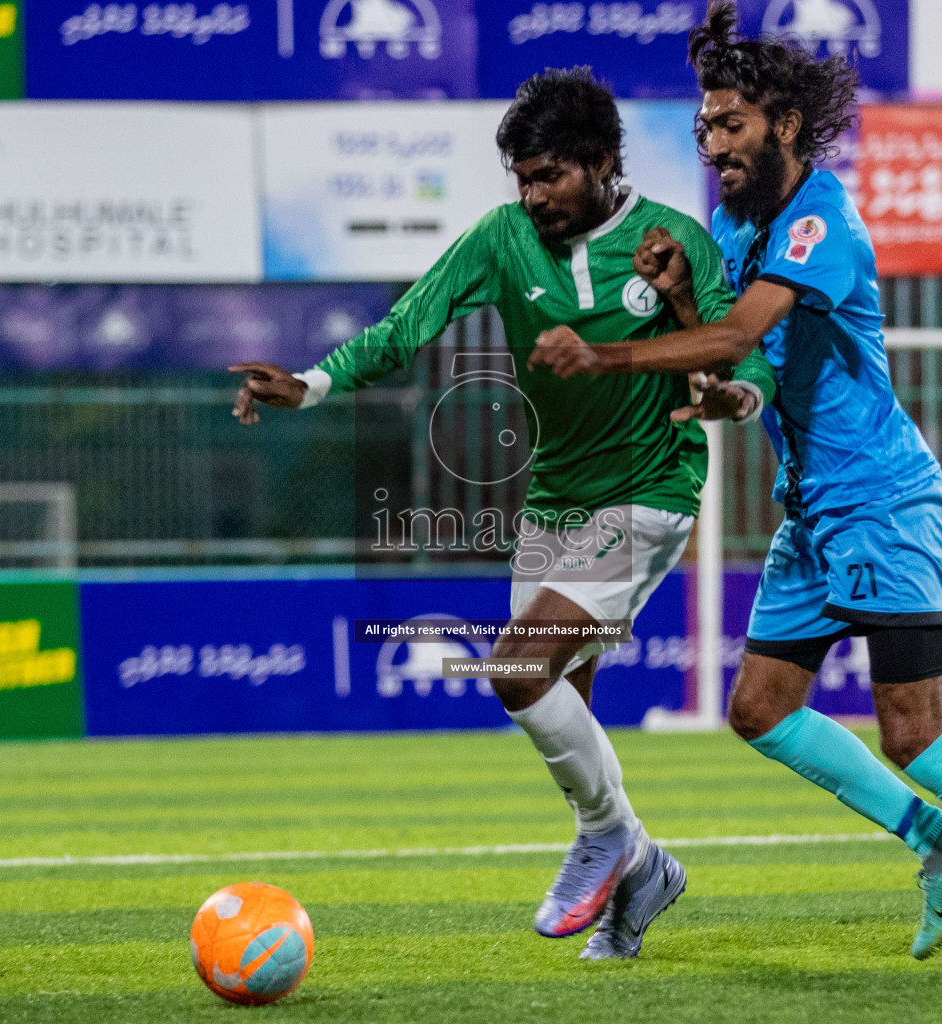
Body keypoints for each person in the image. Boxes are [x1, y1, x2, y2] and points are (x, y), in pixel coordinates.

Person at [526, 2, 942, 973]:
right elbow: (737, 365)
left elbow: (731, 338)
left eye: (731, 124)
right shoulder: (741, 223)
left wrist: (604, 353)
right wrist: (686, 307)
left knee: (912, 729)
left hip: (881, 499)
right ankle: (939, 845)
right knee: (760, 706)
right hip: (813, 508)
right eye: (704, 125)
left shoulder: (822, 220)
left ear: (786, 127)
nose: (713, 142)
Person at [231, 67, 777, 960]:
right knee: (566, 700)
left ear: (602, 162)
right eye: (521, 178)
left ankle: (613, 842)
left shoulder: (673, 238)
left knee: (517, 671)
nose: (531, 196)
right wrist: (312, 382)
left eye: (549, 176)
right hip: (554, 498)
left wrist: (727, 397)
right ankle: (637, 878)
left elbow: (734, 357)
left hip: (648, 491)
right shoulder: (501, 237)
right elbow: (408, 325)